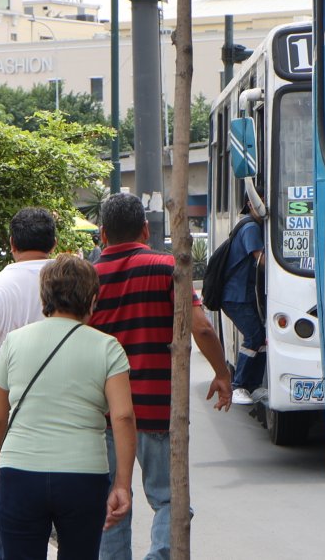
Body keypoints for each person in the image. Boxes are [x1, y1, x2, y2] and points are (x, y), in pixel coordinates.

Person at [90, 193, 233, 560]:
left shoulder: (88, 278)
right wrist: (222, 373)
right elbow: (201, 328)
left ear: (103, 235)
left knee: (112, 502)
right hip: (157, 408)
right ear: (144, 230)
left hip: (104, 413)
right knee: (170, 500)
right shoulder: (167, 267)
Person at [0, 253, 135, 560]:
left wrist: (3, 457)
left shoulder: (13, 343)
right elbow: (122, 416)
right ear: (93, 298)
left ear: (45, 296)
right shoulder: (108, 347)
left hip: (20, 473)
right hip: (83, 475)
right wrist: (122, 483)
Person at [0, 206, 56, 559]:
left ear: (12, 243)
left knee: (9, 507)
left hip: (8, 421)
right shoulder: (72, 282)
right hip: (70, 417)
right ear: (53, 242)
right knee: (70, 514)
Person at [220, 201, 266, 405]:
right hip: (235, 296)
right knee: (254, 336)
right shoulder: (251, 227)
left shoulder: (250, 224)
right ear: (251, 203)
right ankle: (238, 386)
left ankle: (253, 386)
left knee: (261, 336)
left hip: (241, 295)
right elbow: (261, 260)